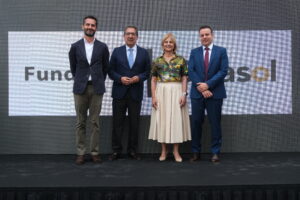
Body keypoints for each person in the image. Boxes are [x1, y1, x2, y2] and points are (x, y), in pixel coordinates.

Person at [69, 16, 109, 165]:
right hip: (80, 88)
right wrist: (81, 79)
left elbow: (105, 68)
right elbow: (74, 67)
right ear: (83, 26)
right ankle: (80, 153)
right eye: (88, 24)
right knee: (80, 122)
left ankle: (95, 152)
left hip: (96, 88)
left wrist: (98, 80)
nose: (90, 27)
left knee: (95, 122)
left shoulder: (102, 47)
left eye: (93, 25)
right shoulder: (75, 46)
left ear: (96, 28)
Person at [108, 26, 151, 160]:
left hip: (135, 92)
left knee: (134, 123)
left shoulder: (144, 53)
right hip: (119, 92)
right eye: (128, 34)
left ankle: (133, 150)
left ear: (137, 36)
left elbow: (147, 72)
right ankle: (116, 151)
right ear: (124, 36)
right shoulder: (116, 51)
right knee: (117, 123)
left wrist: (139, 78)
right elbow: (110, 71)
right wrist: (120, 78)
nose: (130, 36)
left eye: (133, 34)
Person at [188, 25, 228, 162]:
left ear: (212, 35)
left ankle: (215, 152)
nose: (204, 37)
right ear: (199, 37)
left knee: (215, 123)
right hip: (197, 93)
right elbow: (191, 71)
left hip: (215, 93)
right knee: (196, 123)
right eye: (202, 35)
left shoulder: (221, 51)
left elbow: (223, 71)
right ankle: (195, 152)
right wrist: (202, 87)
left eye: (207, 34)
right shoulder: (194, 52)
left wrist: (208, 85)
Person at [148, 33, 191, 162]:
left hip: (177, 90)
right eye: (166, 42)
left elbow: (184, 78)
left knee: (176, 120)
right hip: (161, 92)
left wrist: (184, 94)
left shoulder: (181, 60)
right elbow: (153, 80)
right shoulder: (157, 61)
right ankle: (163, 151)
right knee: (163, 120)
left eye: (170, 42)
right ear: (162, 45)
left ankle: (176, 151)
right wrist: (154, 97)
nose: (168, 44)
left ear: (174, 45)